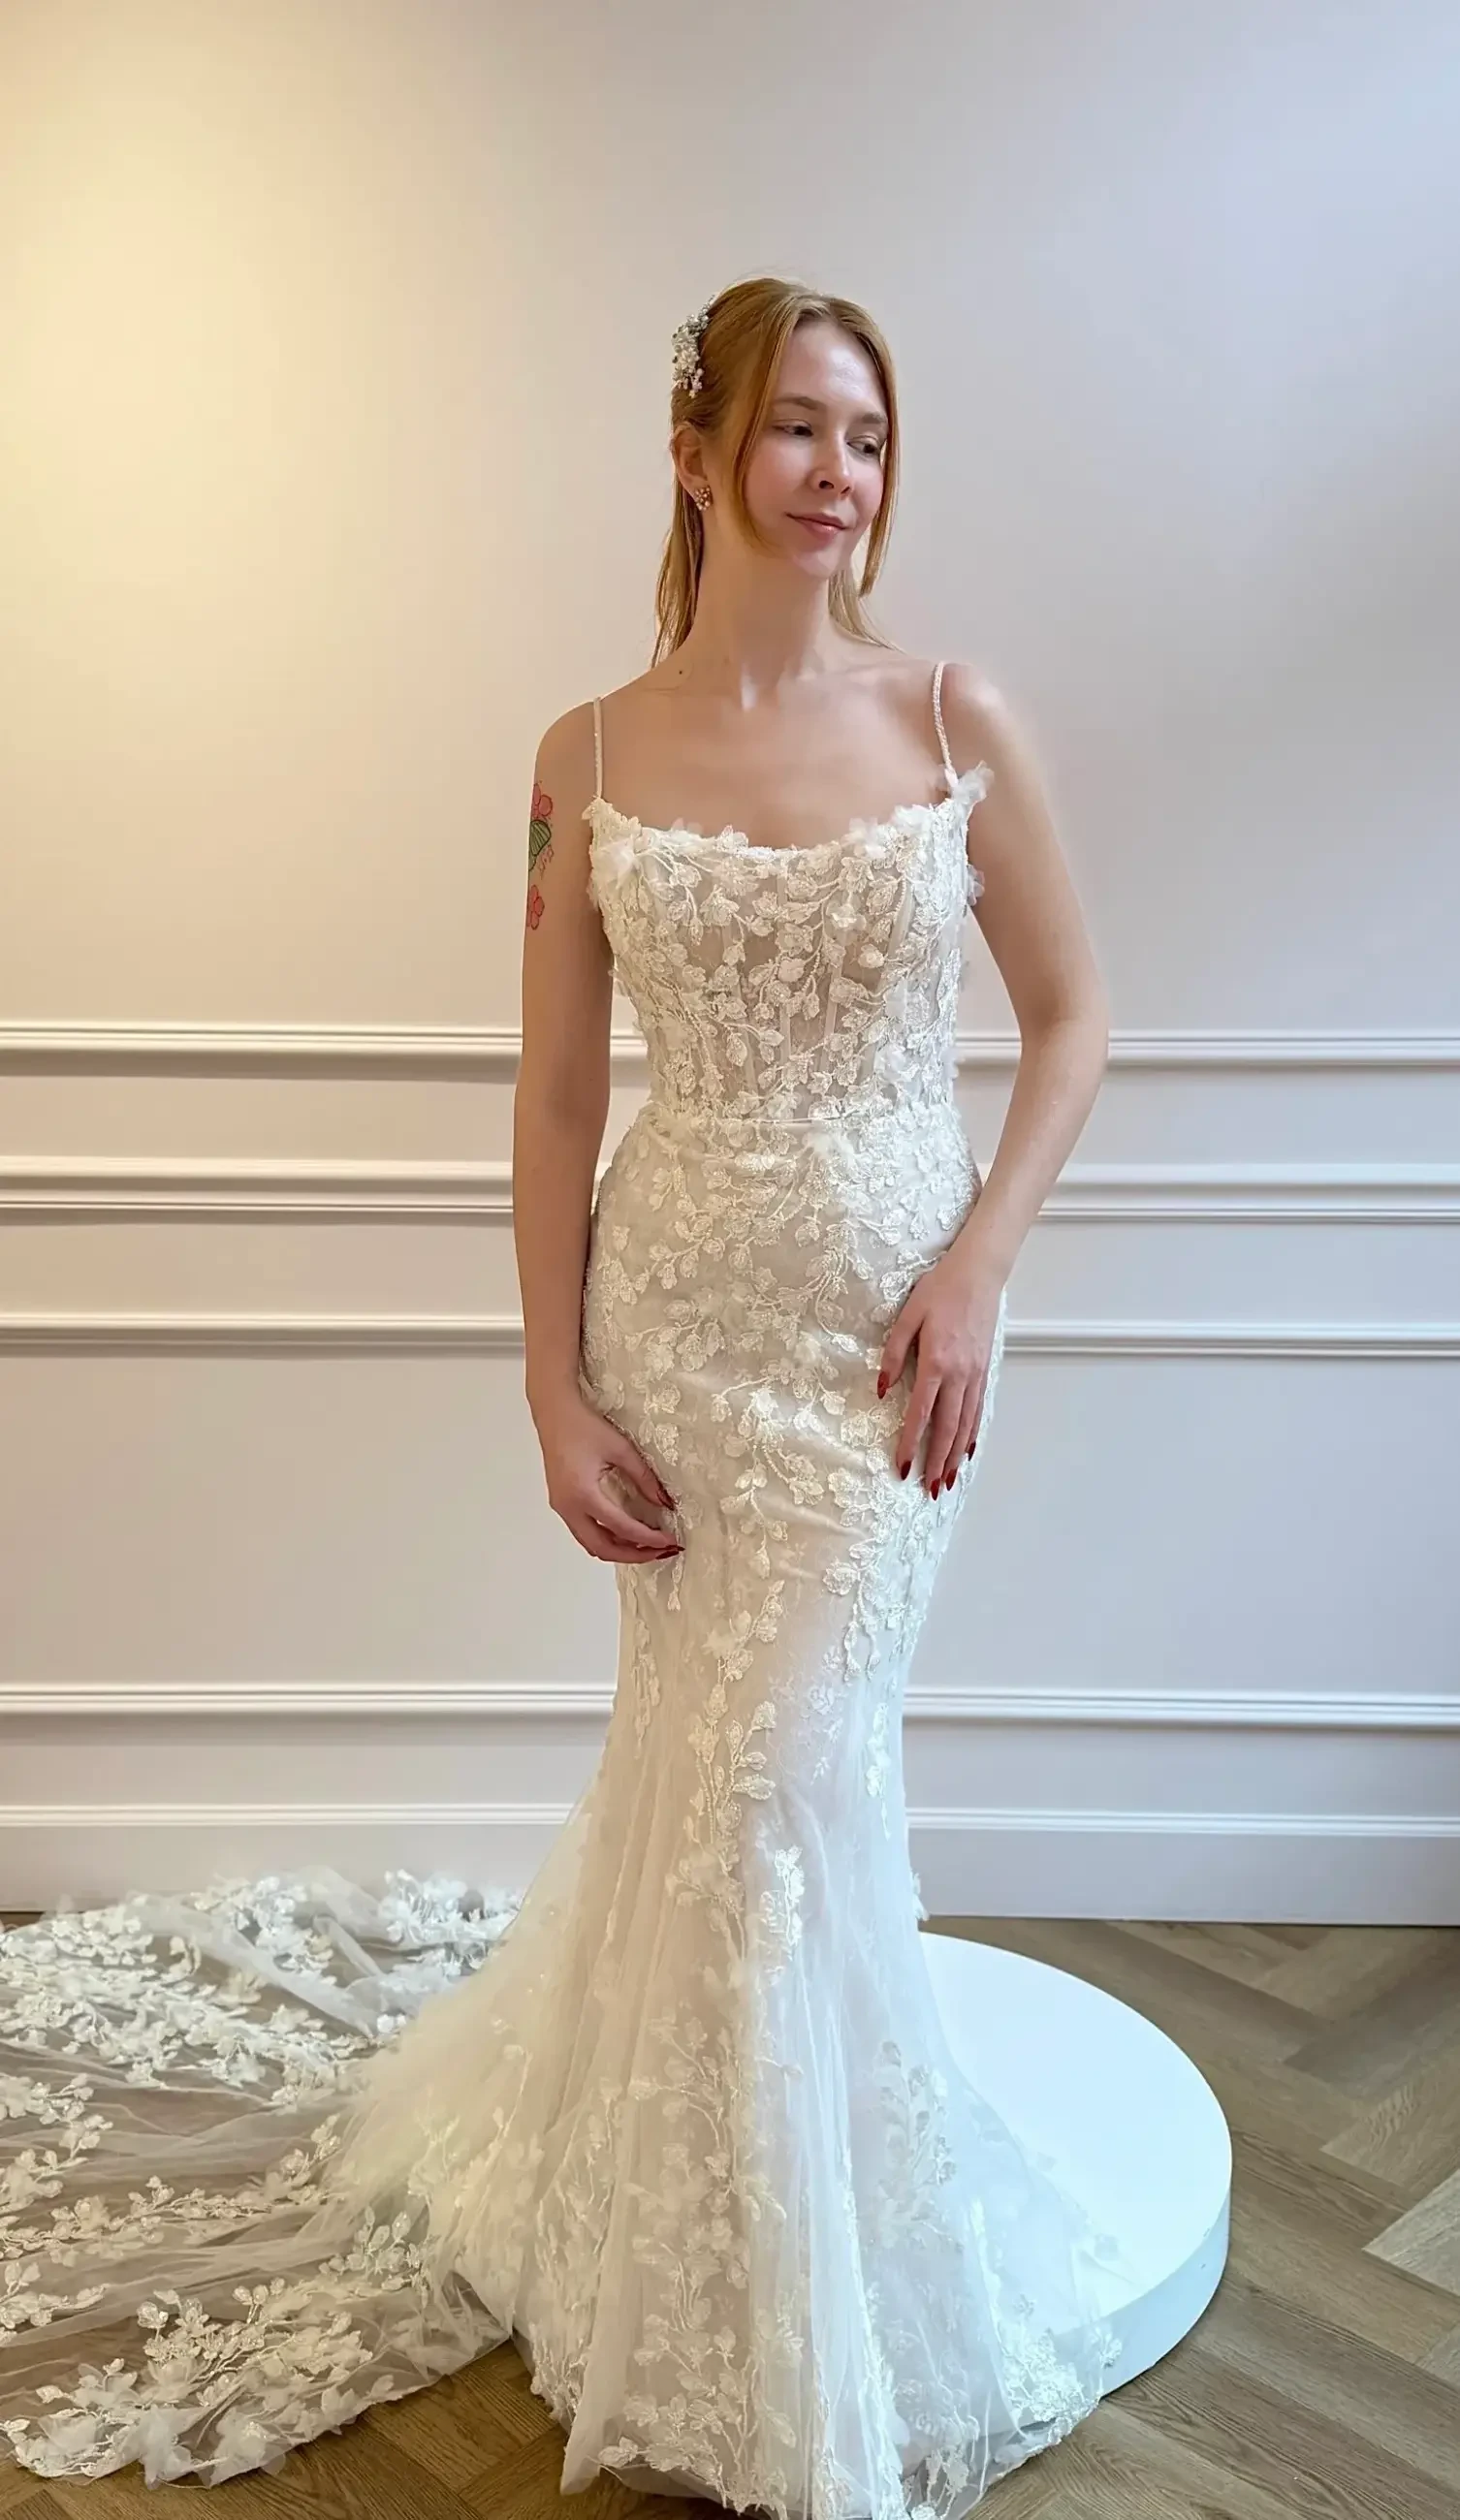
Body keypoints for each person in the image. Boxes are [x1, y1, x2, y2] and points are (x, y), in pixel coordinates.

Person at [0, 275, 1121, 2515]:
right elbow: (545, 1104)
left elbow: (1080, 1016)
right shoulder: (584, 759)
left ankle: (767, 2308)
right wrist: (546, 1376)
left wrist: (983, 1271)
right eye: (797, 427)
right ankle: (674, 2277)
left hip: (884, 1355)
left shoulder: (953, 712)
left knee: (785, 1779)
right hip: (678, 1341)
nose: (837, 474)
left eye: (870, 438)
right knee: (723, 1792)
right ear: (696, 452)